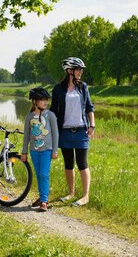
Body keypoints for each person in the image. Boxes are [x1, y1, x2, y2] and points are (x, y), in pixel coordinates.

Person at [50, 57, 95, 207]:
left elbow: (89, 107)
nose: (81, 72)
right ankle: (71, 193)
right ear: (70, 71)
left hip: (81, 131)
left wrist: (92, 125)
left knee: (82, 163)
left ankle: (85, 196)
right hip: (65, 132)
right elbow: (53, 111)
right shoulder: (58, 89)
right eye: (78, 69)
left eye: (81, 70)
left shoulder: (83, 87)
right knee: (68, 163)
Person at [21, 87, 59, 212]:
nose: (45, 102)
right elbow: (26, 135)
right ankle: (42, 196)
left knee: (44, 174)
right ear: (35, 102)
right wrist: (24, 152)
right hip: (34, 151)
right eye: (42, 100)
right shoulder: (29, 117)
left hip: (47, 150)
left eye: (46, 100)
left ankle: (44, 201)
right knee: (39, 175)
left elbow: (55, 133)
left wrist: (55, 150)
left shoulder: (51, 115)